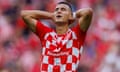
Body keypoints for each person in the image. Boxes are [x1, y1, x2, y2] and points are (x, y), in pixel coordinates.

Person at [21, 2, 93, 72]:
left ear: (70, 16)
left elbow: (88, 12)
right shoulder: (46, 33)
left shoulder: (76, 35)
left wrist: (73, 15)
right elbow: (24, 15)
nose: (59, 11)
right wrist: (51, 15)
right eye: (56, 10)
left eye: (63, 9)